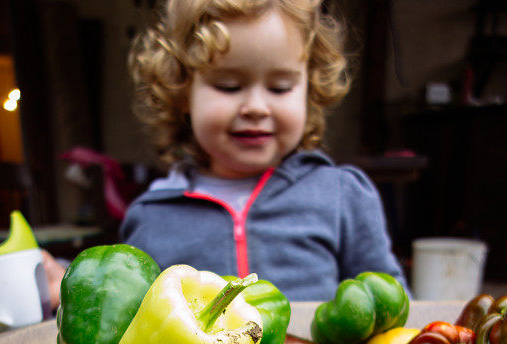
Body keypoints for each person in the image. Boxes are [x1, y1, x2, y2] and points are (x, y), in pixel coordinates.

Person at [45, 0, 409, 305]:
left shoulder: (342, 196)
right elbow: (125, 315)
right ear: (182, 92)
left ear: (310, 90)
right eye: (228, 85)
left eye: (280, 87)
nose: (255, 107)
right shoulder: (152, 216)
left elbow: (390, 308)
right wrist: (67, 288)